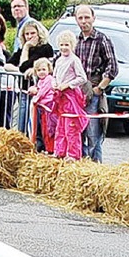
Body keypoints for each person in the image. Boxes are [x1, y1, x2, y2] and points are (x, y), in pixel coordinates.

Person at [74, 5, 118, 162]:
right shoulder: (75, 41)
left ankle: (95, 168)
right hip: (77, 93)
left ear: (93, 18)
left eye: (87, 17)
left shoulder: (102, 39)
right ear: (76, 20)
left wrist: (100, 88)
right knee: (78, 132)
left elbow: (112, 67)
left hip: (93, 91)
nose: (84, 21)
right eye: (80, 18)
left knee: (93, 135)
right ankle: (83, 167)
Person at [4, 20, 53, 136]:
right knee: (21, 124)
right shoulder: (23, 50)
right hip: (24, 91)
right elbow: (8, 65)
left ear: (38, 34)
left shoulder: (45, 48)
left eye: (32, 33)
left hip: (39, 93)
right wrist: (25, 49)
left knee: (37, 126)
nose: (30, 37)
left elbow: (24, 65)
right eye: (27, 34)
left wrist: (29, 69)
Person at [52, 31, 89, 161]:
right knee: (61, 126)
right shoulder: (59, 60)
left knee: (71, 127)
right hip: (60, 97)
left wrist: (68, 85)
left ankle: (73, 155)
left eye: (66, 45)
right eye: (61, 45)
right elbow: (54, 76)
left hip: (71, 97)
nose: (63, 48)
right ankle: (59, 151)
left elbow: (82, 78)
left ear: (72, 45)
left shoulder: (74, 60)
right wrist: (55, 84)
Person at [27, 57, 56, 154]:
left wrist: (35, 99)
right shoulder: (40, 81)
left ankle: (48, 148)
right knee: (39, 127)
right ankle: (40, 147)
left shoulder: (49, 79)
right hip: (41, 107)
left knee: (48, 128)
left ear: (49, 69)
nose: (41, 72)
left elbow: (42, 92)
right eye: (39, 70)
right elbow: (38, 89)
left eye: (44, 69)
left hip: (48, 107)